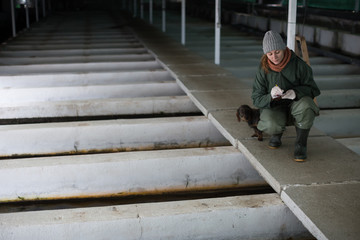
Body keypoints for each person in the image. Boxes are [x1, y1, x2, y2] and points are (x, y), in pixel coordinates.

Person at [252, 30, 321, 162]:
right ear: (265, 54)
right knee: (271, 123)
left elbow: (313, 89)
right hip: (275, 107)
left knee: (307, 106)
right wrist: (270, 97)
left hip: (296, 103)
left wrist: (295, 93)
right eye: (270, 54)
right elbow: (256, 98)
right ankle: (276, 134)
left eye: (277, 51)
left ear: (283, 48)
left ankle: (301, 144)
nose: (274, 57)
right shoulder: (263, 69)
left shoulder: (299, 65)